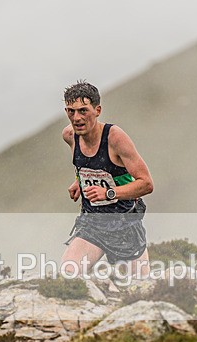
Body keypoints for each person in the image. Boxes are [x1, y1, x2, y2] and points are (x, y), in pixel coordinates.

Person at [61, 81, 153, 280]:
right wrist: (79, 180)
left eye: (83, 110)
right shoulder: (70, 136)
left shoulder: (115, 138)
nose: (76, 118)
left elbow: (146, 183)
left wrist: (109, 193)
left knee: (140, 289)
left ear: (97, 110)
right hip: (92, 224)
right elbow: (85, 165)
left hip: (124, 225)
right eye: (70, 111)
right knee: (67, 275)